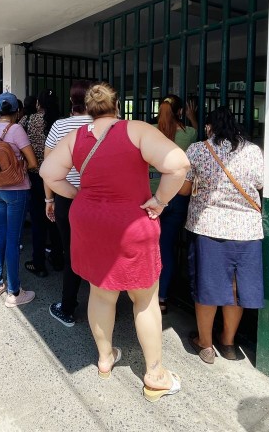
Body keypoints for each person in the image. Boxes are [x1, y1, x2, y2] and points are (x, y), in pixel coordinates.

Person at [41, 83, 189, 401]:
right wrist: (161, 201)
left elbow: (49, 173)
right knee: (145, 299)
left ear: (88, 108)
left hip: (89, 224)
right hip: (132, 223)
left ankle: (106, 359)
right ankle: (154, 375)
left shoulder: (75, 138)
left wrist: (79, 194)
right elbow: (178, 164)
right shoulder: (135, 130)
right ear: (116, 105)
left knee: (100, 292)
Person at [181, 106, 264, 364]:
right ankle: (228, 343)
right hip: (247, 230)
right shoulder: (252, 151)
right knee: (235, 290)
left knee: (208, 288)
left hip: (208, 228)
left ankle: (205, 345)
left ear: (209, 127)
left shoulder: (197, 150)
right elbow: (260, 184)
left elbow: (184, 191)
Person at [44, 80, 93, 327]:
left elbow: (48, 166)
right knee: (99, 251)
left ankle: (68, 306)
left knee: (70, 251)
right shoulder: (105, 127)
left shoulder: (59, 126)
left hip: (66, 197)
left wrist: (49, 199)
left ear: (71, 101)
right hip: (97, 200)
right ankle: (104, 304)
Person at [0, 92, 39, 308]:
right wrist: (19, 169)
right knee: (13, 239)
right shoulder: (17, 129)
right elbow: (33, 162)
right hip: (17, 190)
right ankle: (14, 292)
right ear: (17, 111)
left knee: (1, 234)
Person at [150, 95, 198, 314]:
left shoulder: (149, 131)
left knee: (145, 246)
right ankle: (162, 297)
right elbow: (198, 141)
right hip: (176, 198)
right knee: (166, 248)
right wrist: (192, 118)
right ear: (180, 112)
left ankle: (141, 293)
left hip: (149, 196)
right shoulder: (189, 133)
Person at [22, 88, 62, 277]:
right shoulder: (60, 122)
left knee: (38, 221)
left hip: (36, 176)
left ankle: (39, 263)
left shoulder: (28, 120)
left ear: (39, 103)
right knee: (56, 220)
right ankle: (57, 258)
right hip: (58, 176)